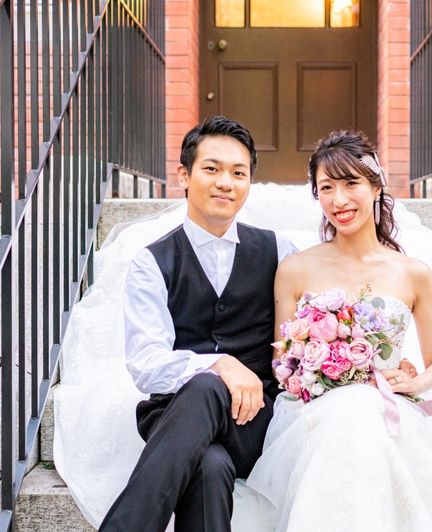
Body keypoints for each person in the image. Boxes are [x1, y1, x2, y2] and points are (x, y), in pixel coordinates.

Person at [232, 129, 432, 531]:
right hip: (314, 413)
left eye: (351, 183)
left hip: (387, 406)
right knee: (350, 415)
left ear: (375, 187)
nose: (339, 200)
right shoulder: (295, 268)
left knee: (363, 416)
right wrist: (318, 371)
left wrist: (412, 383)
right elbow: (282, 362)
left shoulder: (413, 273)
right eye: (326, 188)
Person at [98, 115, 297, 531]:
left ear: (249, 183)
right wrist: (219, 363)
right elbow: (147, 364)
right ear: (184, 176)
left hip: (254, 423)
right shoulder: (151, 263)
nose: (226, 182)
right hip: (176, 419)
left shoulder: (280, 251)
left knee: (207, 388)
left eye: (238, 173)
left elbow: (303, 339)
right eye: (212, 168)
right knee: (209, 464)